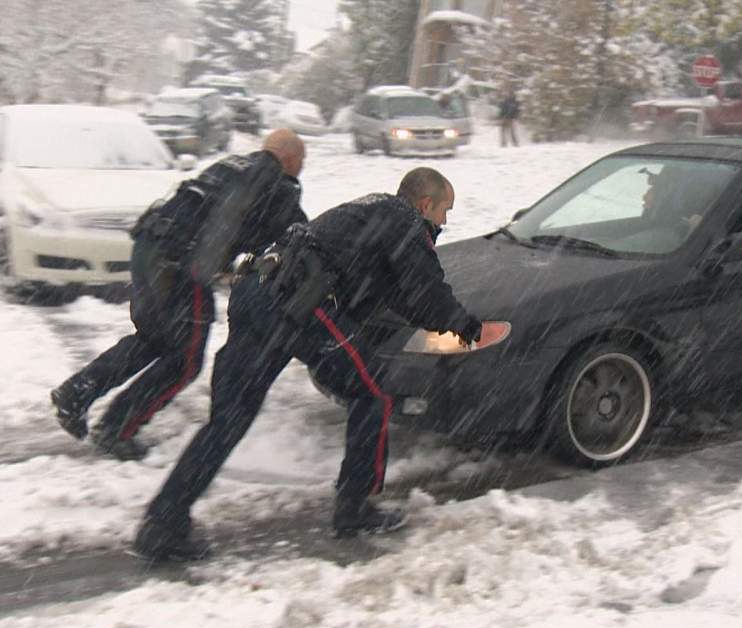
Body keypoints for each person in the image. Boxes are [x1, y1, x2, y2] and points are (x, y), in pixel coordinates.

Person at [133, 167, 482, 561]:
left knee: (228, 420)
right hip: (302, 303)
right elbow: (425, 291)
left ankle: (163, 523)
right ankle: (355, 508)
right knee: (374, 393)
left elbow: (395, 291)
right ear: (425, 204)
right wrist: (463, 324)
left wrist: (430, 318)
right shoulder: (405, 221)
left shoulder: (370, 210)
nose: (445, 221)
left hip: (258, 293)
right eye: (444, 211)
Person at [49, 129, 308, 460]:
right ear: (289, 158)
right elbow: (294, 237)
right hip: (179, 265)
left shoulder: (231, 164)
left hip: (149, 248)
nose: (302, 168)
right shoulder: (277, 184)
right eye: (302, 160)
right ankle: (116, 428)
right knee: (185, 361)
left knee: (153, 340)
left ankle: (76, 394)